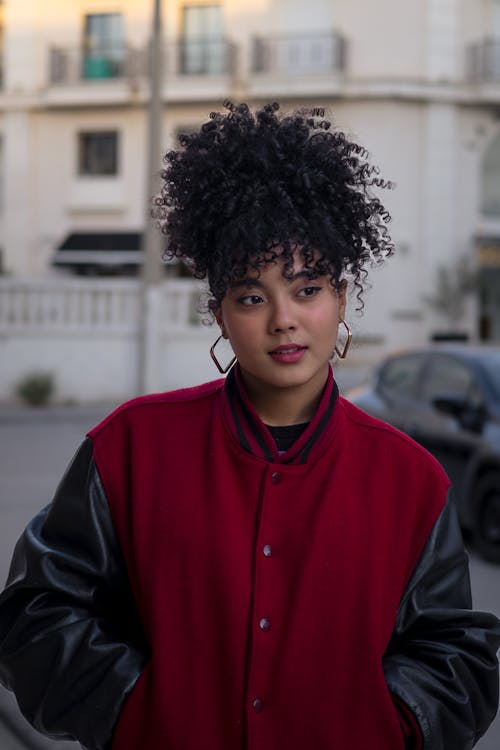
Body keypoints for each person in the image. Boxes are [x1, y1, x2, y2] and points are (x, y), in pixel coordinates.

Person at [0, 101, 499, 750]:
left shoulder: (411, 479)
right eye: (252, 296)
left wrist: (389, 723)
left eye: (307, 289)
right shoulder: (129, 448)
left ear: (342, 299)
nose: (284, 320)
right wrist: (136, 709)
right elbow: (35, 615)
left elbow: (458, 654)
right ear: (219, 313)